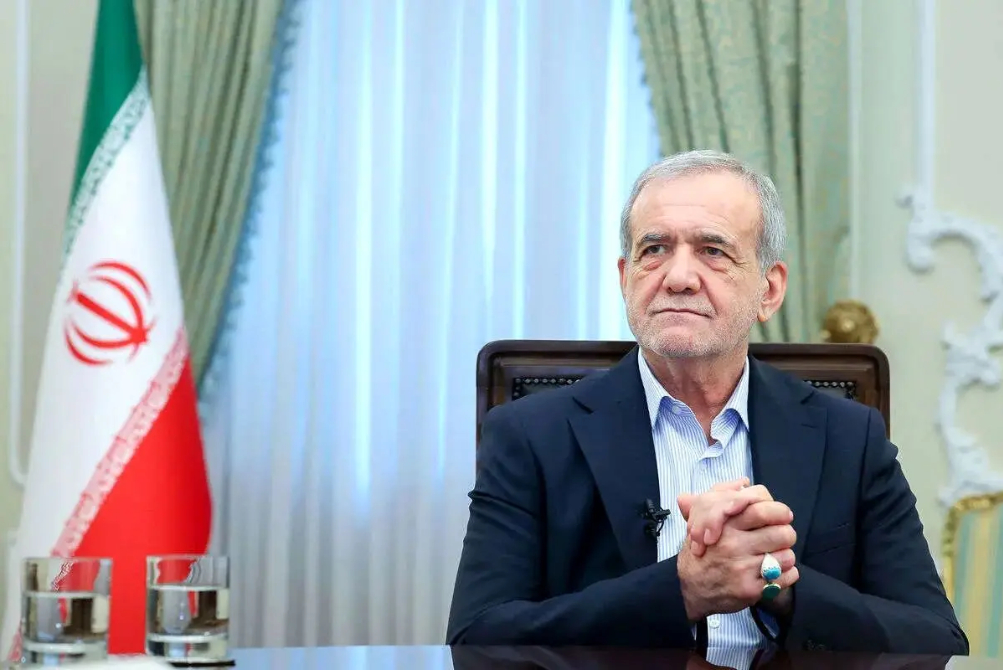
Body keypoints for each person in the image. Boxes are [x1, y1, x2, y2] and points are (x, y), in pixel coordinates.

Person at [445, 150, 968, 655]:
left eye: (713, 250)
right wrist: (680, 590)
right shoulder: (530, 434)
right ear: (625, 278)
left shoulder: (849, 437)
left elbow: (934, 638)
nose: (678, 277)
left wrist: (777, 584)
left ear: (769, 290)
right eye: (654, 249)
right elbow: (478, 638)